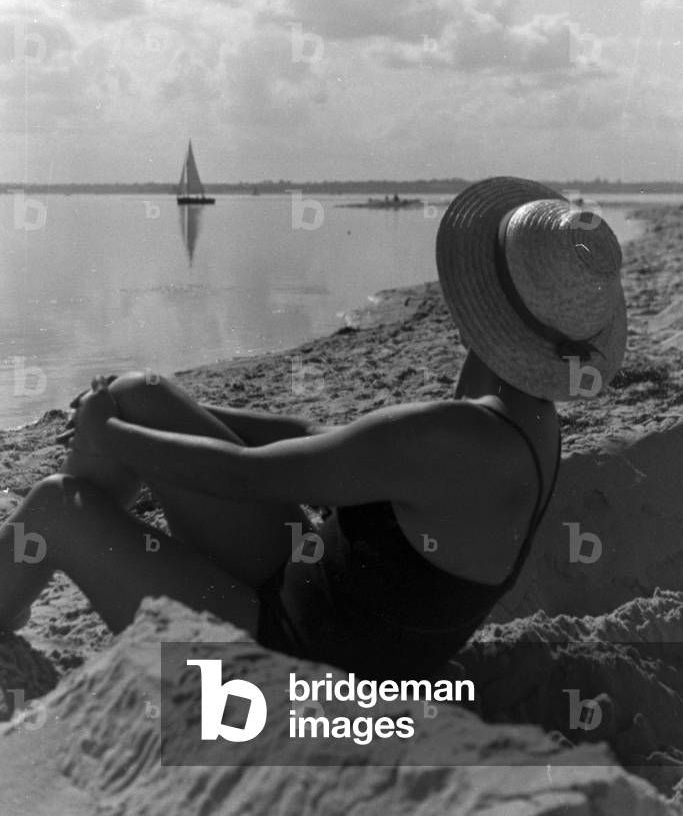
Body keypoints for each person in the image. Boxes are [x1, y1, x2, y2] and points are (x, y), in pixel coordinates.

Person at [0, 177, 627, 679]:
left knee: (58, 507)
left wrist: (110, 438)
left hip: (290, 672)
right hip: (311, 595)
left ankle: (34, 579)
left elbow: (249, 477)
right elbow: (317, 434)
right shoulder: (525, 416)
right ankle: (33, 588)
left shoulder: (458, 438)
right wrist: (141, 412)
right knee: (141, 392)